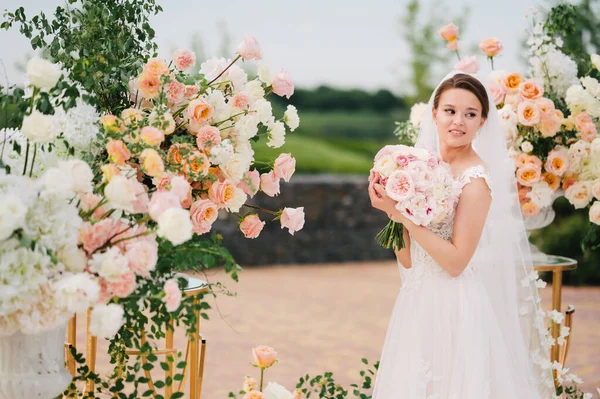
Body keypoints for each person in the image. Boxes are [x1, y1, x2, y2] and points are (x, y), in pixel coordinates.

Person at [368, 71, 554, 398]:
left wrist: (403, 217)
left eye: (470, 114)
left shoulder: (475, 181)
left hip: (455, 305)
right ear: (435, 113)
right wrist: (391, 209)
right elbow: (409, 260)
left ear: (482, 121)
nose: (459, 121)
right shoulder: (418, 167)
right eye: (450, 111)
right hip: (418, 299)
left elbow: (456, 262)